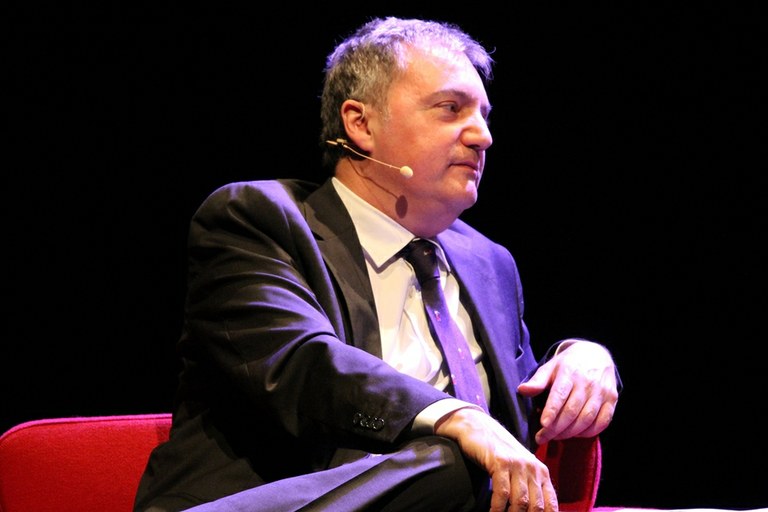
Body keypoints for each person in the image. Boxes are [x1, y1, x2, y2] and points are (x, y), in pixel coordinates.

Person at [134, 16, 620, 512]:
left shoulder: (489, 263)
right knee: (456, 460)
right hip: (281, 498)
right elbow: (303, 369)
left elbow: (519, 412)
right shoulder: (256, 220)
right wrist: (454, 416)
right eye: (451, 109)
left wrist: (583, 358)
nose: (483, 136)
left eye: (484, 115)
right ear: (360, 124)